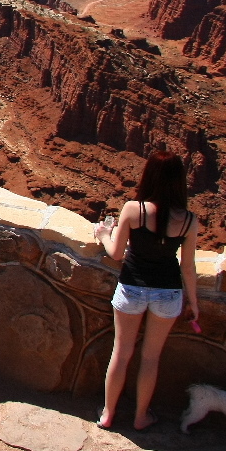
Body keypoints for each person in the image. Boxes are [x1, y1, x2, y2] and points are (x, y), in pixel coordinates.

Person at [94, 150, 200, 431]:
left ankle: (108, 414)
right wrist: (194, 302)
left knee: (121, 353)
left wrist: (104, 235)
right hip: (168, 294)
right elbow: (188, 267)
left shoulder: (134, 209)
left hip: (132, 289)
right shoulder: (189, 221)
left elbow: (116, 253)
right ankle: (141, 416)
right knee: (151, 358)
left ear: (148, 176)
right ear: (179, 181)